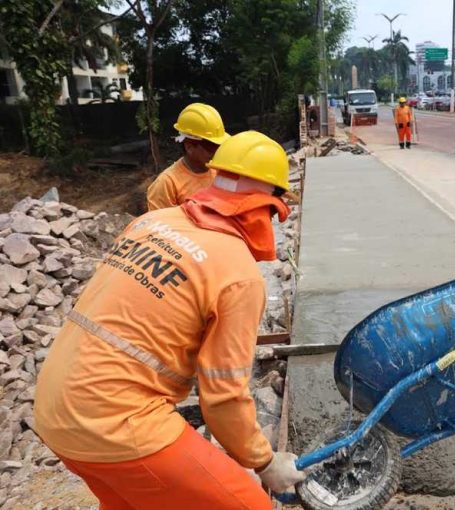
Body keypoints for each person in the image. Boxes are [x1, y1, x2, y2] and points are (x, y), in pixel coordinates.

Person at [34, 131, 307, 509]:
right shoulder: (238, 275)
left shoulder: (151, 223)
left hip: (52, 411)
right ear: (263, 206)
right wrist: (264, 461)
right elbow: (224, 396)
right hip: (115, 423)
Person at [146, 103, 230, 211]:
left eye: (219, 146)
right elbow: (159, 225)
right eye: (211, 147)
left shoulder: (220, 171)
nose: (216, 152)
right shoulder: (167, 184)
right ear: (189, 147)